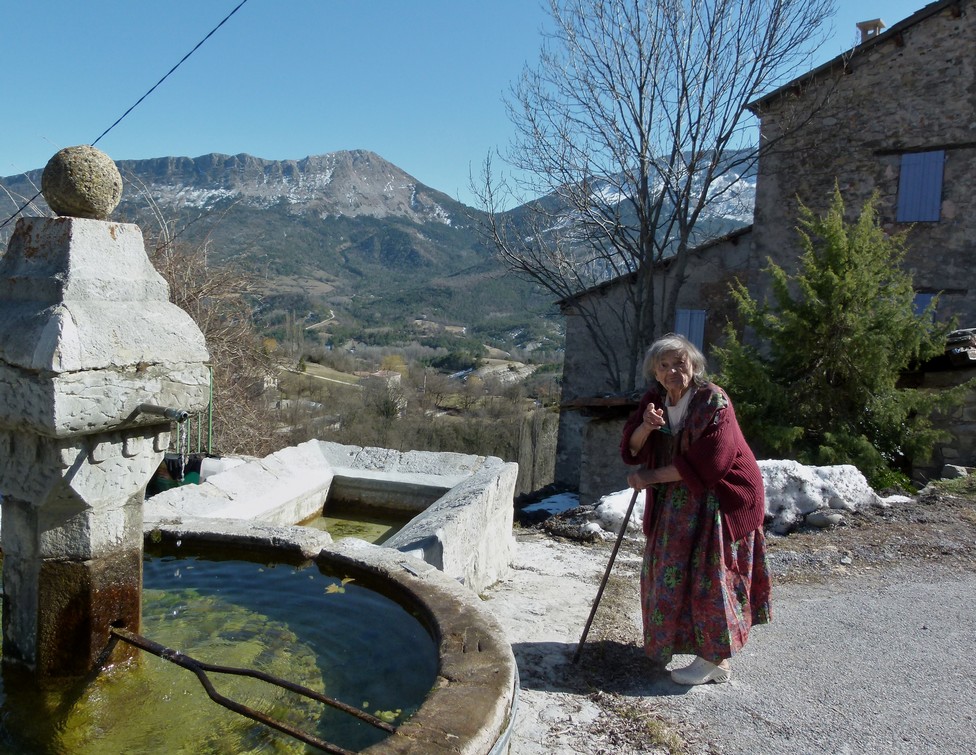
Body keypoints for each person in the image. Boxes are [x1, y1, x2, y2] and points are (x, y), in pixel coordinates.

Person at [620, 334, 771, 685]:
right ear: (655, 373)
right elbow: (630, 448)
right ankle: (675, 643)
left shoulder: (712, 400)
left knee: (710, 575)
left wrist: (649, 476)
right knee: (666, 570)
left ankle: (714, 660)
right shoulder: (655, 401)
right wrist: (645, 427)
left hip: (721, 497)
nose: (673, 371)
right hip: (679, 498)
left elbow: (711, 463)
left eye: (680, 363)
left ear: (694, 366)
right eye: (664, 365)